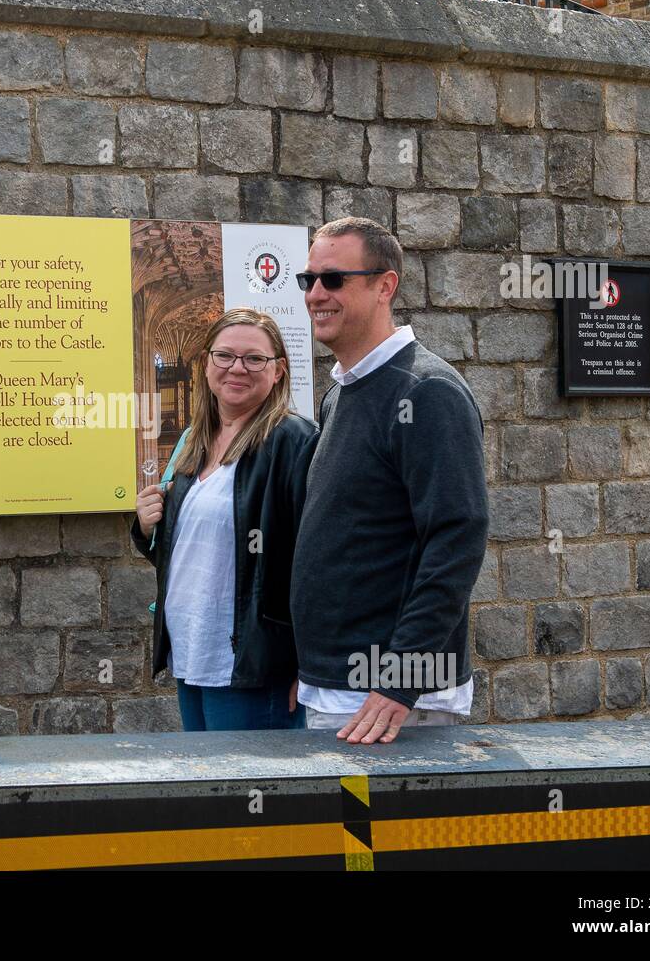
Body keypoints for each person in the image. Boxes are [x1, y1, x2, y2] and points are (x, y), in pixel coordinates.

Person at [291, 217, 489, 744]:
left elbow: (456, 538)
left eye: (333, 279)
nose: (315, 294)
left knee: (394, 830)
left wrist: (401, 677)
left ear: (385, 286)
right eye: (306, 279)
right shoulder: (341, 393)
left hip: (390, 698)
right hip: (337, 687)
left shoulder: (428, 392)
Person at [131, 308, 318, 731]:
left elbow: (319, 559)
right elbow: (192, 545)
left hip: (255, 665)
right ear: (207, 364)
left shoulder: (293, 442)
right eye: (225, 356)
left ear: (279, 371)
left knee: (254, 793)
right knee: (211, 793)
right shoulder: (191, 440)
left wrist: (306, 662)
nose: (237, 367)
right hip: (192, 651)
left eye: (254, 359)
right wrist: (146, 526)